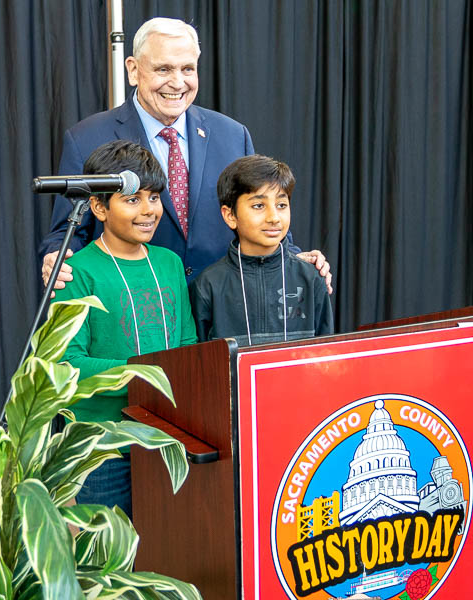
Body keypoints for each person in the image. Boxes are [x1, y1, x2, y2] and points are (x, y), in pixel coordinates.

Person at [39, 17, 332, 294]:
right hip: (136, 311)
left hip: (221, 310)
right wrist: (57, 257)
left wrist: (296, 259)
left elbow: (259, 212)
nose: (178, 82)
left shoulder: (232, 135)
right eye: (164, 69)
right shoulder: (86, 138)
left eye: (188, 69)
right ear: (132, 70)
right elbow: (69, 231)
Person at [54, 140, 197, 516]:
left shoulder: (168, 263)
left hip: (166, 437)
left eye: (153, 197)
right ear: (99, 207)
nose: (148, 210)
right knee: (109, 558)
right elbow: (67, 363)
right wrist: (141, 372)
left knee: (166, 551)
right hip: (105, 445)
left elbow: (188, 342)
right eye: (132, 200)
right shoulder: (78, 272)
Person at [189, 155, 334, 346]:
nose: (274, 217)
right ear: (230, 215)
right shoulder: (207, 285)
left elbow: (326, 354)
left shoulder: (310, 278)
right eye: (258, 206)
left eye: (281, 205)